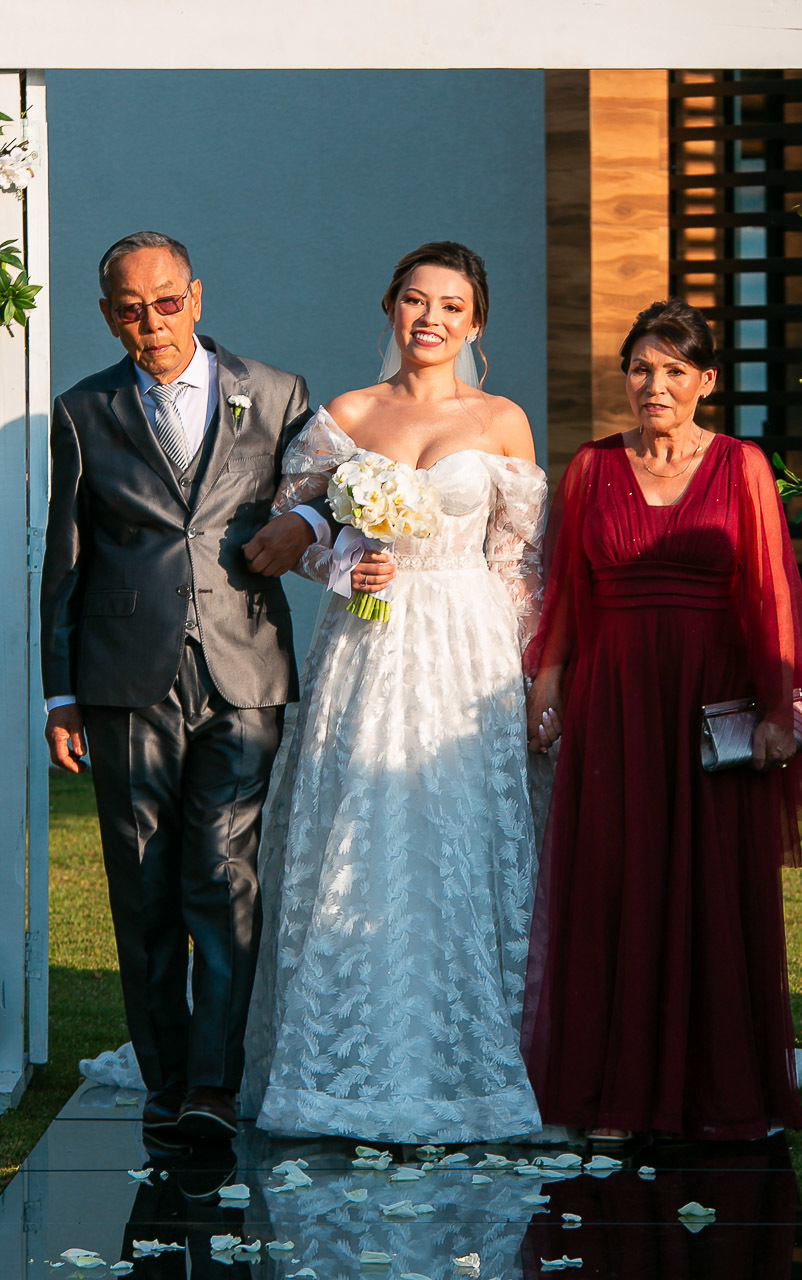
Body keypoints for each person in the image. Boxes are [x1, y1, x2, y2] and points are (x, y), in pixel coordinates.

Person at [40, 231, 393, 1144]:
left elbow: (326, 492)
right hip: (123, 677)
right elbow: (65, 560)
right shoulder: (82, 410)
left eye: (166, 303)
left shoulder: (274, 392)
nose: (151, 323)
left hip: (243, 668)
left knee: (224, 877)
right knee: (143, 884)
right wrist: (58, 693)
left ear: (195, 297)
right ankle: (165, 1083)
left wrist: (307, 518)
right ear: (108, 315)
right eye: (130, 309)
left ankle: (213, 1086)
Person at [241, 241, 547, 1142]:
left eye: (451, 306)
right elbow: (288, 534)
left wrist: (531, 677)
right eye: (415, 300)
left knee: (458, 836)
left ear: (476, 324)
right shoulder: (346, 414)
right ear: (389, 307)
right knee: (362, 831)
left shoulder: (501, 420)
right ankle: (342, 1065)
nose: (430, 319)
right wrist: (344, 563)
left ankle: (473, 1062)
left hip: (467, 652)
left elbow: (519, 564)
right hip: (367, 651)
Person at [523, 298, 802, 1142]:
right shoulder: (590, 467)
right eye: (639, 369)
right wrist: (546, 682)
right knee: (612, 881)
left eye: (672, 371)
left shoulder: (741, 465)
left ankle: (716, 1091)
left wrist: (777, 707)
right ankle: (610, 1092)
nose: (653, 385)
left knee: (711, 886)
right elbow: (567, 591)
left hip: (709, 705)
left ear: (706, 381)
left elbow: (769, 592)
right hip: (613, 703)